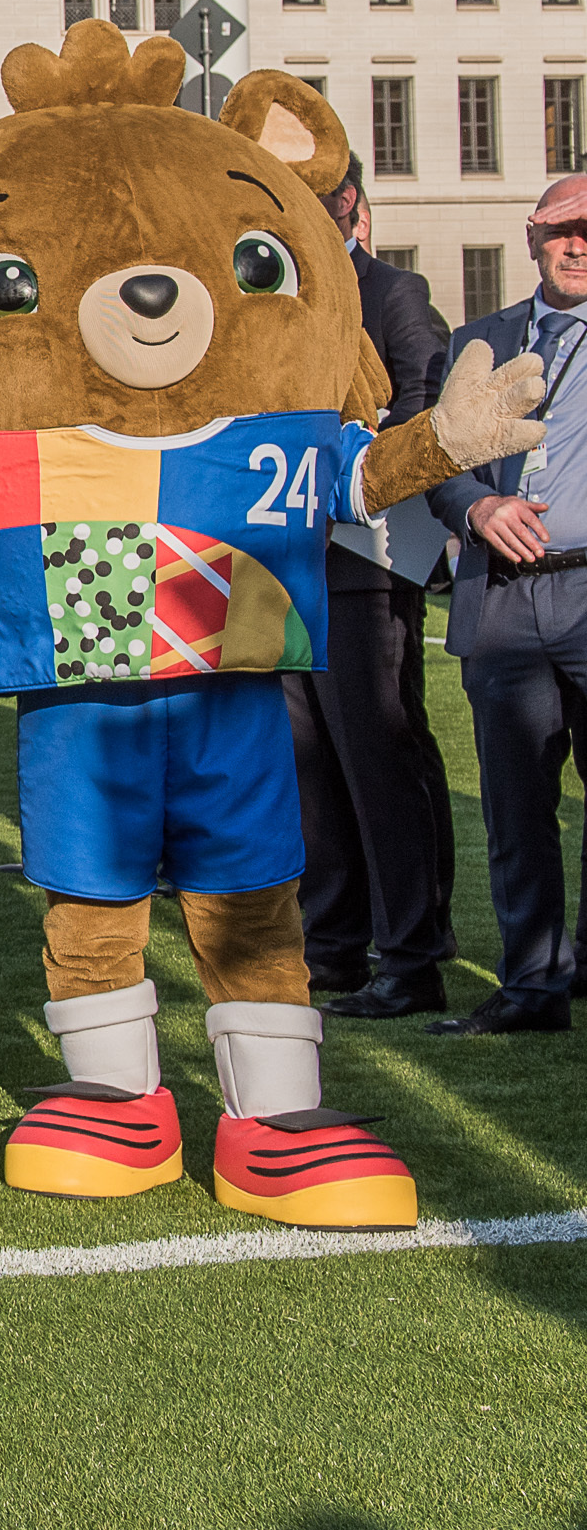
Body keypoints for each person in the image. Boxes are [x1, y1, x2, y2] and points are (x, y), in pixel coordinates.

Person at [286, 157, 456, 1018]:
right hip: (286, 560)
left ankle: (412, 954)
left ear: (346, 200)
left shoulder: (392, 291)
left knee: (377, 759)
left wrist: (347, 445)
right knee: (310, 767)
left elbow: (428, 405)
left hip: (368, 557)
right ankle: (334, 947)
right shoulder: (276, 290)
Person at [430, 171, 587, 1036]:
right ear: (529, 236)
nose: (576, 245)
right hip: (503, 596)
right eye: (561, 229)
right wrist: (474, 505)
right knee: (515, 807)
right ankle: (531, 987)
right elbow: (433, 453)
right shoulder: (480, 338)